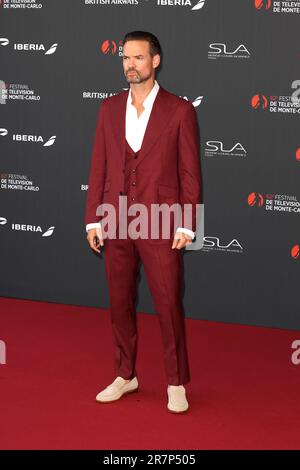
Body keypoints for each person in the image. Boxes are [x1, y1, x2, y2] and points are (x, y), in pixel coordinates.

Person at [85, 31, 201, 413]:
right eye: (125, 58)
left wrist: (187, 224)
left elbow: (189, 173)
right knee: (120, 303)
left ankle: (175, 382)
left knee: (168, 305)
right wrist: (92, 220)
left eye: (137, 57)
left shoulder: (181, 111)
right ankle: (125, 375)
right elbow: (99, 167)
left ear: (156, 61)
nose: (129, 64)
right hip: (115, 219)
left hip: (162, 221)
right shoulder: (108, 108)